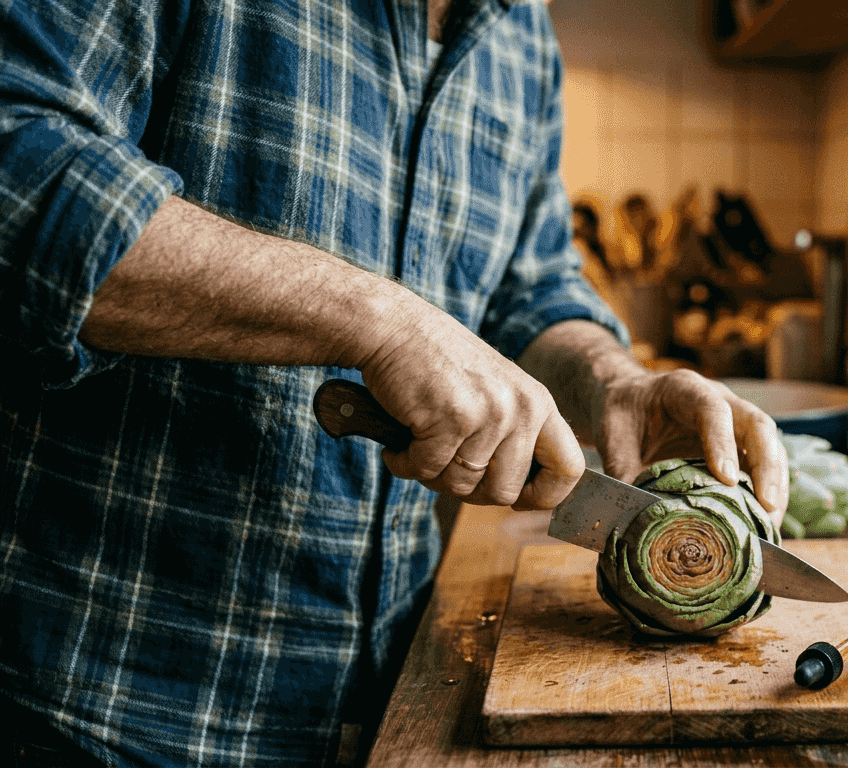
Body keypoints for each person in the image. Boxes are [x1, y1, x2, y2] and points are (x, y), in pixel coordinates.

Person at [0, 0, 788, 764]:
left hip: (390, 701)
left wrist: (614, 381)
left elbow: (529, 288)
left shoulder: (521, 33)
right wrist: (375, 317)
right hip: (93, 709)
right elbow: (17, 163)